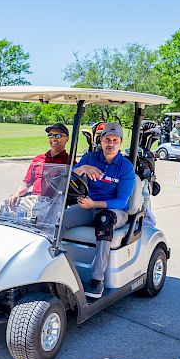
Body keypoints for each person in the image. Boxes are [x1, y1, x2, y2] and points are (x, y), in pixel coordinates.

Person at [62, 122, 136, 298]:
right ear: (101, 141)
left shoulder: (125, 167)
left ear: (120, 143)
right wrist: (81, 168)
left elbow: (121, 201)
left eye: (115, 140)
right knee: (60, 219)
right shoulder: (91, 158)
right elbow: (69, 178)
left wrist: (93, 204)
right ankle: (52, 264)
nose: (110, 144)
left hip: (115, 212)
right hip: (89, 206)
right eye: (107, 139)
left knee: (104, 220)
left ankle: (97, 280)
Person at [8, 123, 70, 207]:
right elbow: (26, 183)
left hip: (53, 204)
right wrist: (17, 193)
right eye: (50, 135)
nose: (53, 139)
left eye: (57, 136)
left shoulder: (69, 162)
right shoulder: (38, 159)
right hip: (33, 200)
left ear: (66, 139)